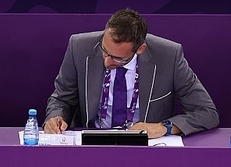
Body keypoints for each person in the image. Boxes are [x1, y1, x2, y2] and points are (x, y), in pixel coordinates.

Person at [43, 8, 218, 137]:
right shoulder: (80, 47)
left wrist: (164, 127)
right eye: (105, 51)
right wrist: (55, 117)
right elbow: (61, 99)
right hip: (92, 144)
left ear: (140, 49)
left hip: (146, 150)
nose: (107, 61)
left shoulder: (169, 56)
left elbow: (207, 112)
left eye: (117, 58)